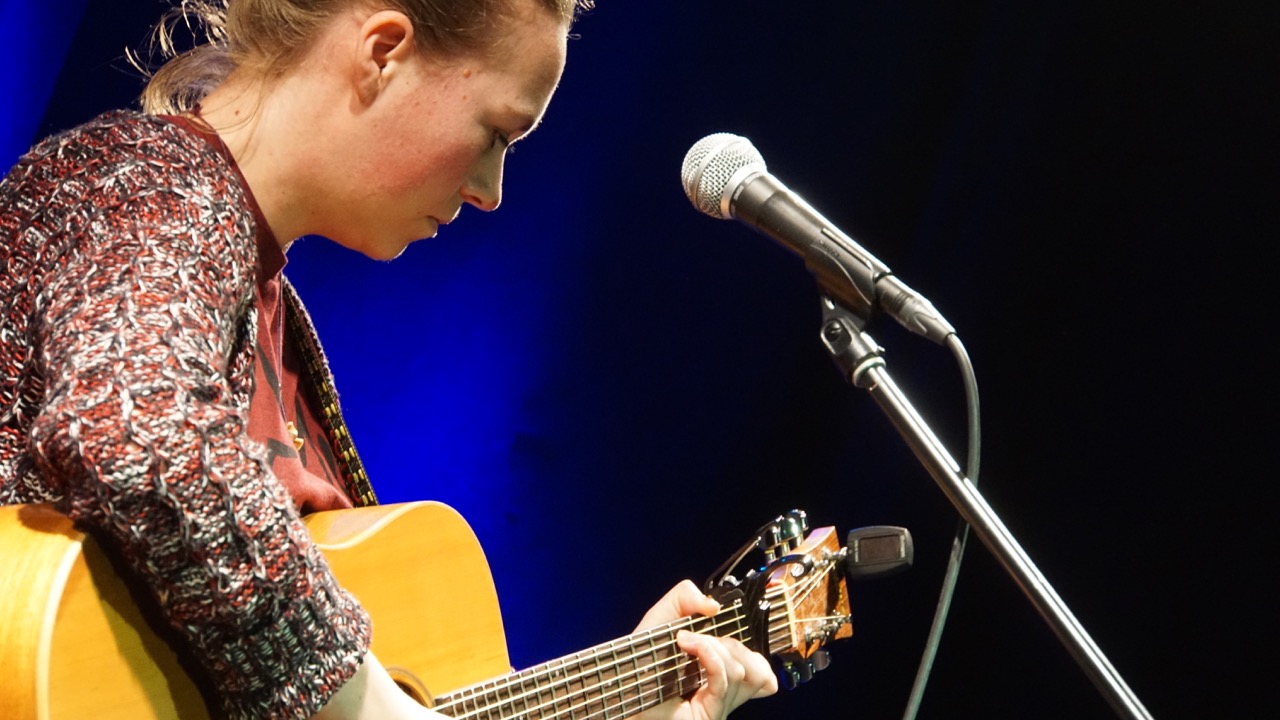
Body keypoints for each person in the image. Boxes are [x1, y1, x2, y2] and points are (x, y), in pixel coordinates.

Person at [0, 0, 778, 718]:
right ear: (382, 52)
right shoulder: (136, 184)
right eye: (497, 133)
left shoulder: (269, 309)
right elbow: (135, 434)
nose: (492, 191)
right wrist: (370, 704)